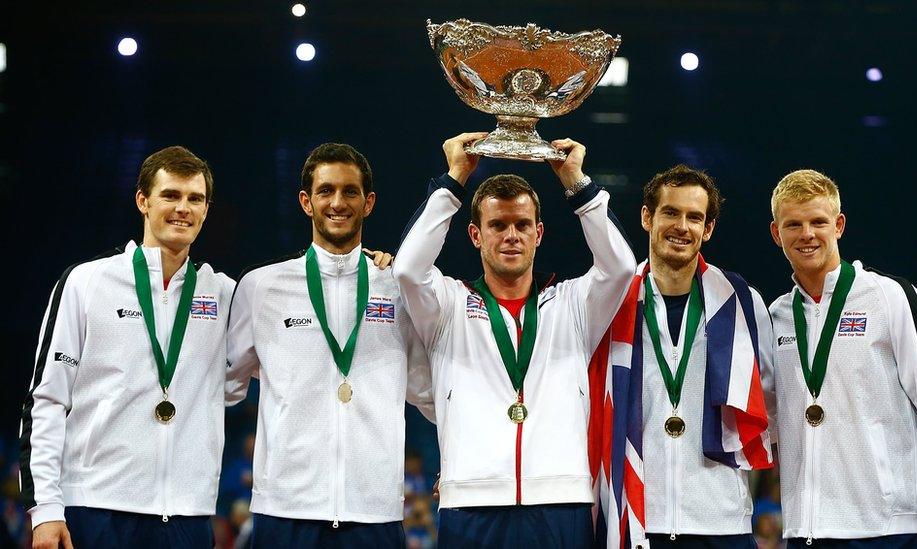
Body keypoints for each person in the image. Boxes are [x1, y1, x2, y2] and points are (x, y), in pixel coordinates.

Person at [392, 132, 636, 548]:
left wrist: (577, 184)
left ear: (539, 233)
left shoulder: (573, 304)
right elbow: (407, 270)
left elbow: (620, 268)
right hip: (471, 501)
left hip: (561, 502)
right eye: (498, 225)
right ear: (474, 234)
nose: (511, 235)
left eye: (522, 225)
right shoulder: (448, 305)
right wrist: (454, 180)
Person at [20, 146, 235, 548]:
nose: (183, 208)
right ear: (143, 201)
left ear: (207, 210)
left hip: (187, 515)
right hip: (95, 509)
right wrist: (45, 509)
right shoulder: (87, 282)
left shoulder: (225, 295)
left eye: (195, 198)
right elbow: (46, 399)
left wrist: (377, 269)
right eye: (170, 195)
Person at [226, 142, 432, 548]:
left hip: (375, 512)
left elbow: (431, 394)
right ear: (306, 201)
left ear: (368, 202)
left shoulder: (397, 287)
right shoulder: (262, 287)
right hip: (284, 510)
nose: (338, 202)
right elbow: (221, 387)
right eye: (325, 191)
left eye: (350, 191)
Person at [768, 169, 917, 548]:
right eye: (793, 224)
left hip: (890, 530)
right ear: (776, 233)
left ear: (840, 225)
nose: (807, 234)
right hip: (807, 531)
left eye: (818, 221)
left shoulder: (890, 298)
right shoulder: (776, 316)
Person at [592, 165, 774, 548]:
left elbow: (771, 404)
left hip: (722, 524)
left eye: (695, 217)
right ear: (647, 217)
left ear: (708, 229)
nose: (682, 226)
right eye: (671, 213)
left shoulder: (741, 303)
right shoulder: (610, 303)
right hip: (639, 521)